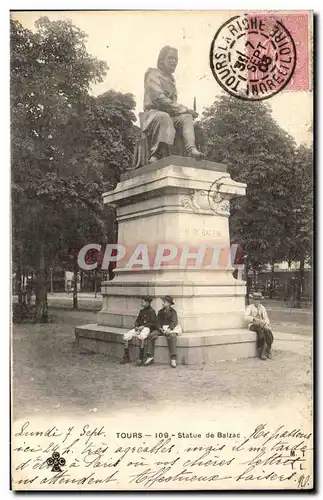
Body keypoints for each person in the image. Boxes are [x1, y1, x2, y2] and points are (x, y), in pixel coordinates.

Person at [142, 46, 204, 163]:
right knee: (164, 117)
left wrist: (185, 112)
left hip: (169, 114)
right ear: (161, 60)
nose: (174, 61)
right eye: (170, 58)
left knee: (186, 117)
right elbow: (160, 99)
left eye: (176, 59)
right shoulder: (153, 74)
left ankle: (191, 149)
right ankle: (157, 154)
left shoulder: (171, 79)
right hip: (153, 114)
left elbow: (172, 105)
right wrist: (184, 109)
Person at [144, 295, 182, 368]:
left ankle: (173, 358)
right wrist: (160, 328)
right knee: (151, 335)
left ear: (169, 303)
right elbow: (157, 322)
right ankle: (150, 356)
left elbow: (174, 321)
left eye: (164, 302)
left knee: (172, 336)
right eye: (163, 302)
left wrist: (169, 329)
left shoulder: (173, 312)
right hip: (161, 329)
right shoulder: (160, 312)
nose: (162, 303)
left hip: (170, 329)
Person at [120, 296, 157, 366]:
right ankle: (126, 355)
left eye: (142, 302)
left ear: (147, 303)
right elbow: (137, 320)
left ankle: (141, 356)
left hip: (147, 328)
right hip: (139, 328)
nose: (141, 303)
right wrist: (136, 326)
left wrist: (144, 326)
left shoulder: (152, 312)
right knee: (126, 336)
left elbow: (153, 323)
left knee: (142, 336)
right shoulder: (141, 311)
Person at [245, 292, 274, 360]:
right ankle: (261, 352)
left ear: (260, 300)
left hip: (262, 324)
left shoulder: (262, 307)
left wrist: (266, 323)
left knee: (268, 332)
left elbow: (266, 317)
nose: (257, 301)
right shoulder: (250, 307)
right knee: (260, 332)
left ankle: (268, 350)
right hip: (253, 324)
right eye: (255, 300)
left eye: (258, 300)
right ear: (253, 300)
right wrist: (253, 319)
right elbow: (246, 317)